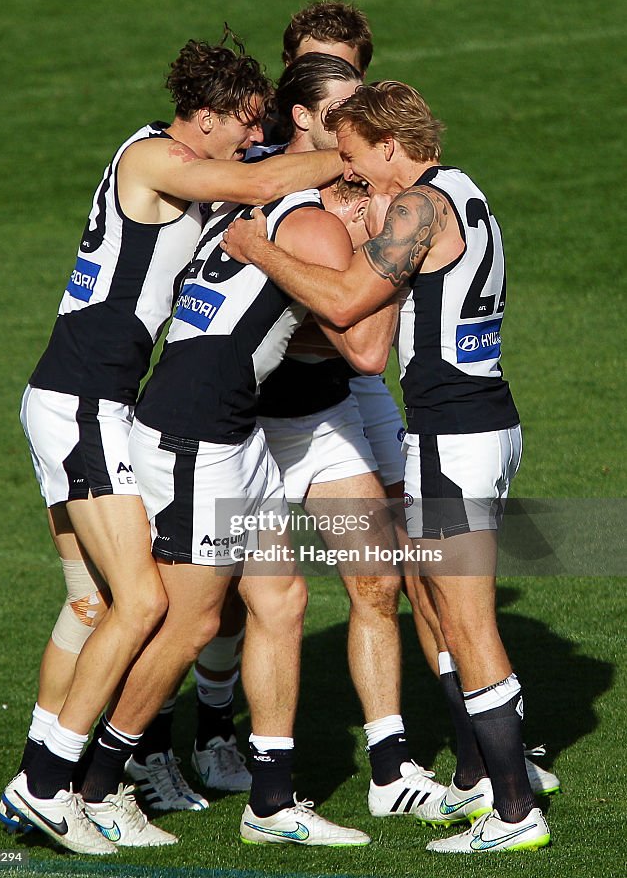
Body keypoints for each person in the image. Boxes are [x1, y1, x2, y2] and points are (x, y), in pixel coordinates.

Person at [0, 32, 346, 855]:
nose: (253, 134)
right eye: (245, 121)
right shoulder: (155, 159)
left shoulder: (182, 157)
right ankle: (50, 784)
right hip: (82, 404)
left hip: (94, 405)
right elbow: (264, 177)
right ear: (210, 116)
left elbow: (255, 166)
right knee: (145, 603)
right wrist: (357, 158)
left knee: (92, 606)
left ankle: (54, 778)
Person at [220, 80, 552, 854]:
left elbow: (343, 305)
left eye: (356, 156)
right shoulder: (463, 192)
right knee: (445, 602)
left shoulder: (417, 207)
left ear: (390, 147)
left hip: (449, 440)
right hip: (488, 424)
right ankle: (485, 784)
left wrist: (258, 247)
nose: (350, 170)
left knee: (466, 623)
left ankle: (511, 811)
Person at [67, 112, 399, 847]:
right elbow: (365, 341)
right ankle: (94, 787)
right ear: (346, 186)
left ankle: (271, 803)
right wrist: (394, 266)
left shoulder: (248, 205)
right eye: (373, 202)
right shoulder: (314, 227)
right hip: (195, 436)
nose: (379, 219)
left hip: (228, 428)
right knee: (188, 623)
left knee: (280, 599)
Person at [254, 55, 448, 816]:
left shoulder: (375, 207)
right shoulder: (299, 210)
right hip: (246, 430)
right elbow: (363, 338)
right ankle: (162, 747)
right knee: (219, 609)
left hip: (325, 417)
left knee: (376, 580)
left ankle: (390, 768)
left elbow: (361, 353)